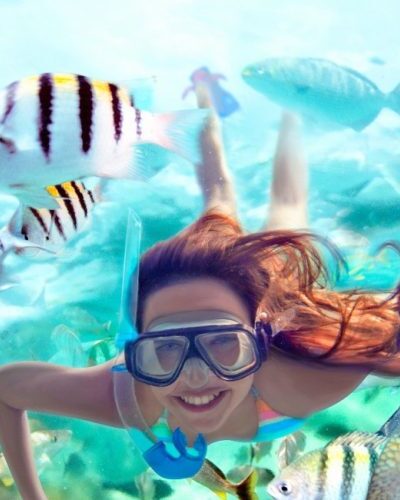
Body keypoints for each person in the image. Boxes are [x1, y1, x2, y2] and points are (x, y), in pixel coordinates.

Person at [0, 85, 399, 500]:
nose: (194, 375)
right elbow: (7, 389)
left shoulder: (310, 368)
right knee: (219, 201)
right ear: (134, 349)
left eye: (223, 342)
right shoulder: (130, 397)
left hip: (278, 290)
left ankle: (289, 112)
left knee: (286, 208)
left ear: (260, 340)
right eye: (166, 348)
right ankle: (204, 105)